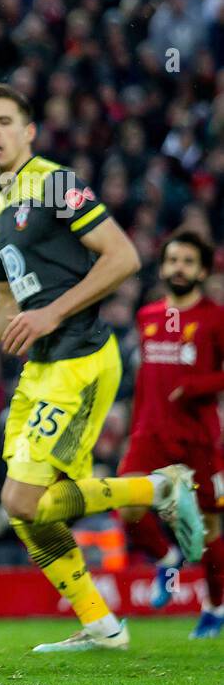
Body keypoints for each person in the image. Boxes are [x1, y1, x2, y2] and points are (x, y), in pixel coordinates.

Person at [0, 83, 204, 653]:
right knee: (28, 511)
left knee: (20, 501)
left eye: (2, 122)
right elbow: (7, 307)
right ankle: (101, 624)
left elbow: (123, 257)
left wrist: (52, 314)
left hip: (83, 356)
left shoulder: (57, 183)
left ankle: (161, 486)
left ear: (28, 132)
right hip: (42, 367)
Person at [117, 230, 224, 638]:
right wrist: (134, 429)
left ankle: (214, 607)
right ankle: (167, 557)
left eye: (188, 261)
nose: (178, 268)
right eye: (173, 260)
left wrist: (197, 386)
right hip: (149, 434)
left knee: (211, 531)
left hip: (198, 439)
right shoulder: (147, 316)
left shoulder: (215, 317)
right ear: (162, 267)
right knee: (127, 507)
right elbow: (146, 381)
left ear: (202, 270)